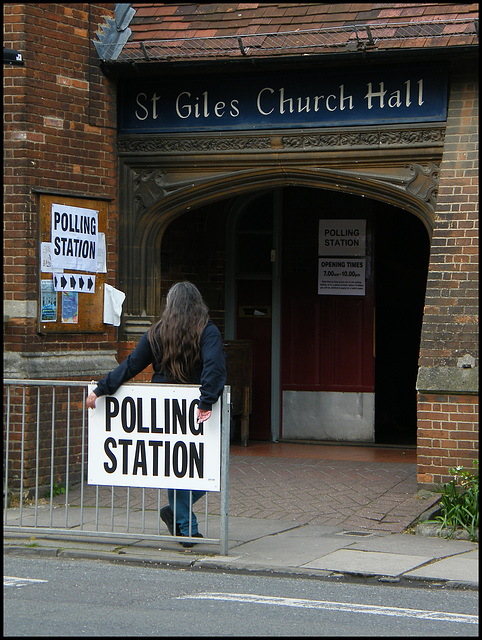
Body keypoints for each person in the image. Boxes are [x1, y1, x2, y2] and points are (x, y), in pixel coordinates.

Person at [86, 281, 226, 547]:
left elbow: (130, 365)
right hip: (193, 410)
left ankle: (176, 514)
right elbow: (214, 367)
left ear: (170, 304)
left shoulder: (157, 332)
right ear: (198, 303)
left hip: (164, 409)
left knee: (189, 467)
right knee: (188, 466)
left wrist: (102, 388)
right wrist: (206, 402)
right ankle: (186, 528)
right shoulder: (207, 330)